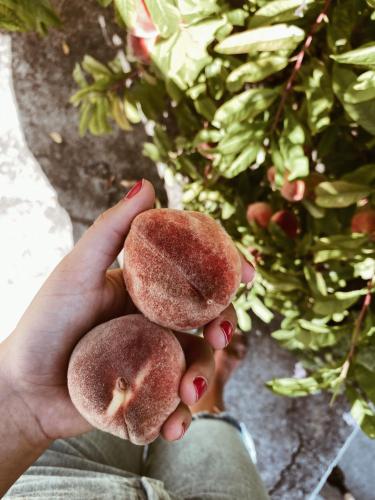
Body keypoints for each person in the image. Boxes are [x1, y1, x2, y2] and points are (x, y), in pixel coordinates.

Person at [0, 179, 269, 499]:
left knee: (178, 430)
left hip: (44, 477)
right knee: (200, 436)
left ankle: (206, 405)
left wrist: (18, 399)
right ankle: (208, 404)